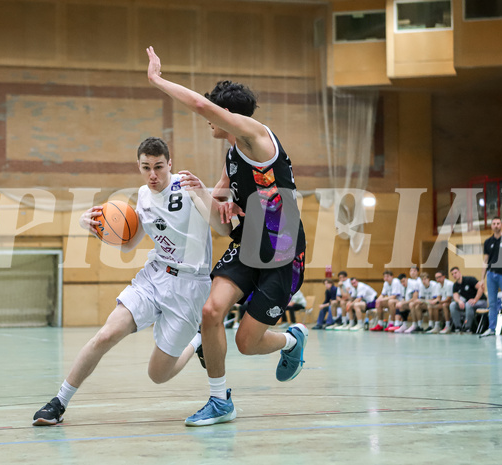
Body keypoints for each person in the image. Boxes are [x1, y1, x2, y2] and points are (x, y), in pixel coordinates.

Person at [146, 47, 307, 426]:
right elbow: (221, 198)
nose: (209, 121)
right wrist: (213, 197)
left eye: (217, 114)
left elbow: (202, 107)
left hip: (282, 249)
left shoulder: (255, 136)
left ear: (229, 116)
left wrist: (157, 80)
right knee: (210, 311)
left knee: (247, 344)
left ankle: (291, 340)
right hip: (249, 241)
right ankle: (220, 401)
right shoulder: (233, 153)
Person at [32, 137, 229, 426]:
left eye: (159, 167)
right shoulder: (143, 195)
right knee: (107, 334)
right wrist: (94, 228)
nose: (153, 175)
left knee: (157, 374)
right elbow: (128, 243)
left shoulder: (188, 187)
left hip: (189, 288)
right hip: (154, 277)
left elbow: (222, 228)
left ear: (169, 164)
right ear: (138, 166)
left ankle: (198, 341)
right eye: (146, 167)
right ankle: (58, 402)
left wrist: (204, 194)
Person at [449, 266, 486, 334]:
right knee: (453, 305)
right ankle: (458, 327)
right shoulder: (455, 285)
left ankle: (468, 328)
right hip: (469, 303)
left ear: (459, 272)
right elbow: (455, 296)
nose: (454, 275)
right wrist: (459, 301)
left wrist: (475, 300)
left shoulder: (470, 279)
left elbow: (481, 288)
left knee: (468, 304)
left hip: (481, 302)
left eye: (455, 273)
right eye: (452, 274)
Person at [394, 267, 421, 333]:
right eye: (401, 282)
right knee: (400, 305)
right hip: (410, 302)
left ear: (406, 279)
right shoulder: (404, 287)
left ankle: (415, 325)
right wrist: (401, 302)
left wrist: (404, 302)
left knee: (411, 305)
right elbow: (404, 298)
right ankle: (404, 324)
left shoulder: (414, 283)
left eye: (403, 281)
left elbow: (415, 298)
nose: (403, 283)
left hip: (418, 302)